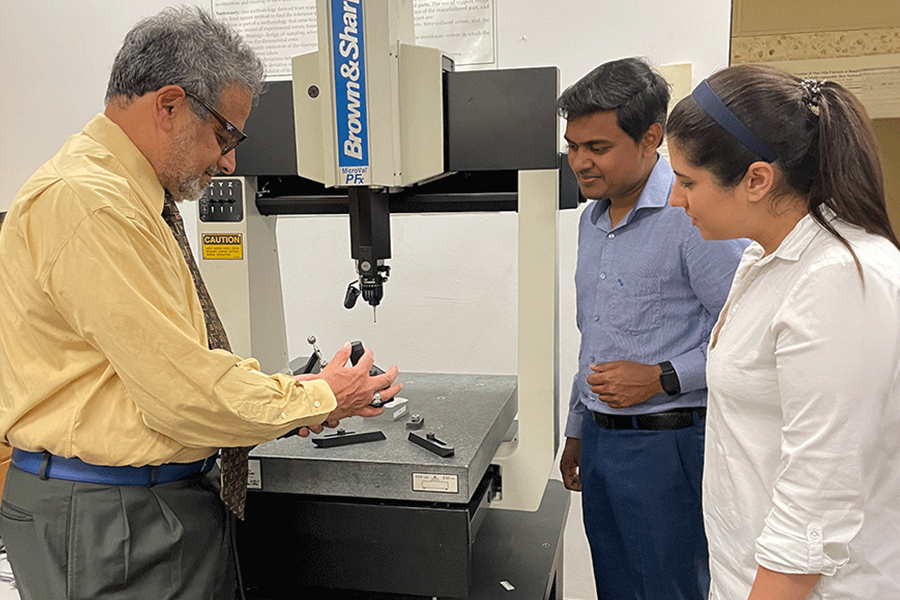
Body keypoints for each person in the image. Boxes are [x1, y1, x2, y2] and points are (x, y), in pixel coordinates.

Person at [0, 7, 401, 600]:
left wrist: (284, 401)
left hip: (153, 503)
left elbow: (172, 362)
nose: (229, 161)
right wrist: (321, 395)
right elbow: (181, 393)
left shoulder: (132, 199)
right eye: (224, 135)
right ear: (168, 105)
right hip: (113, 517)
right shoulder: (92, 205)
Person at [666, 64, 900, 600]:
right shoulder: (764, 259)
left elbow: (817, 498)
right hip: (747, 576)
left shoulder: (840, 278)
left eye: (687, 182)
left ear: (756, 179)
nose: (677, 201)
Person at [557, 57, 746, 599]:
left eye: (597, 148)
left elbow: (747, 339)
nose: (580, 162)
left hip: (671, 447)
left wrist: (664, 376)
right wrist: (577, 428)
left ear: (650, 138)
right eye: (573, 146)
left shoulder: (692, 218)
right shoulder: (591, 222)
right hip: (600, 441)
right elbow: (593, 336)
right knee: (615, 587)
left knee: (669, 589)